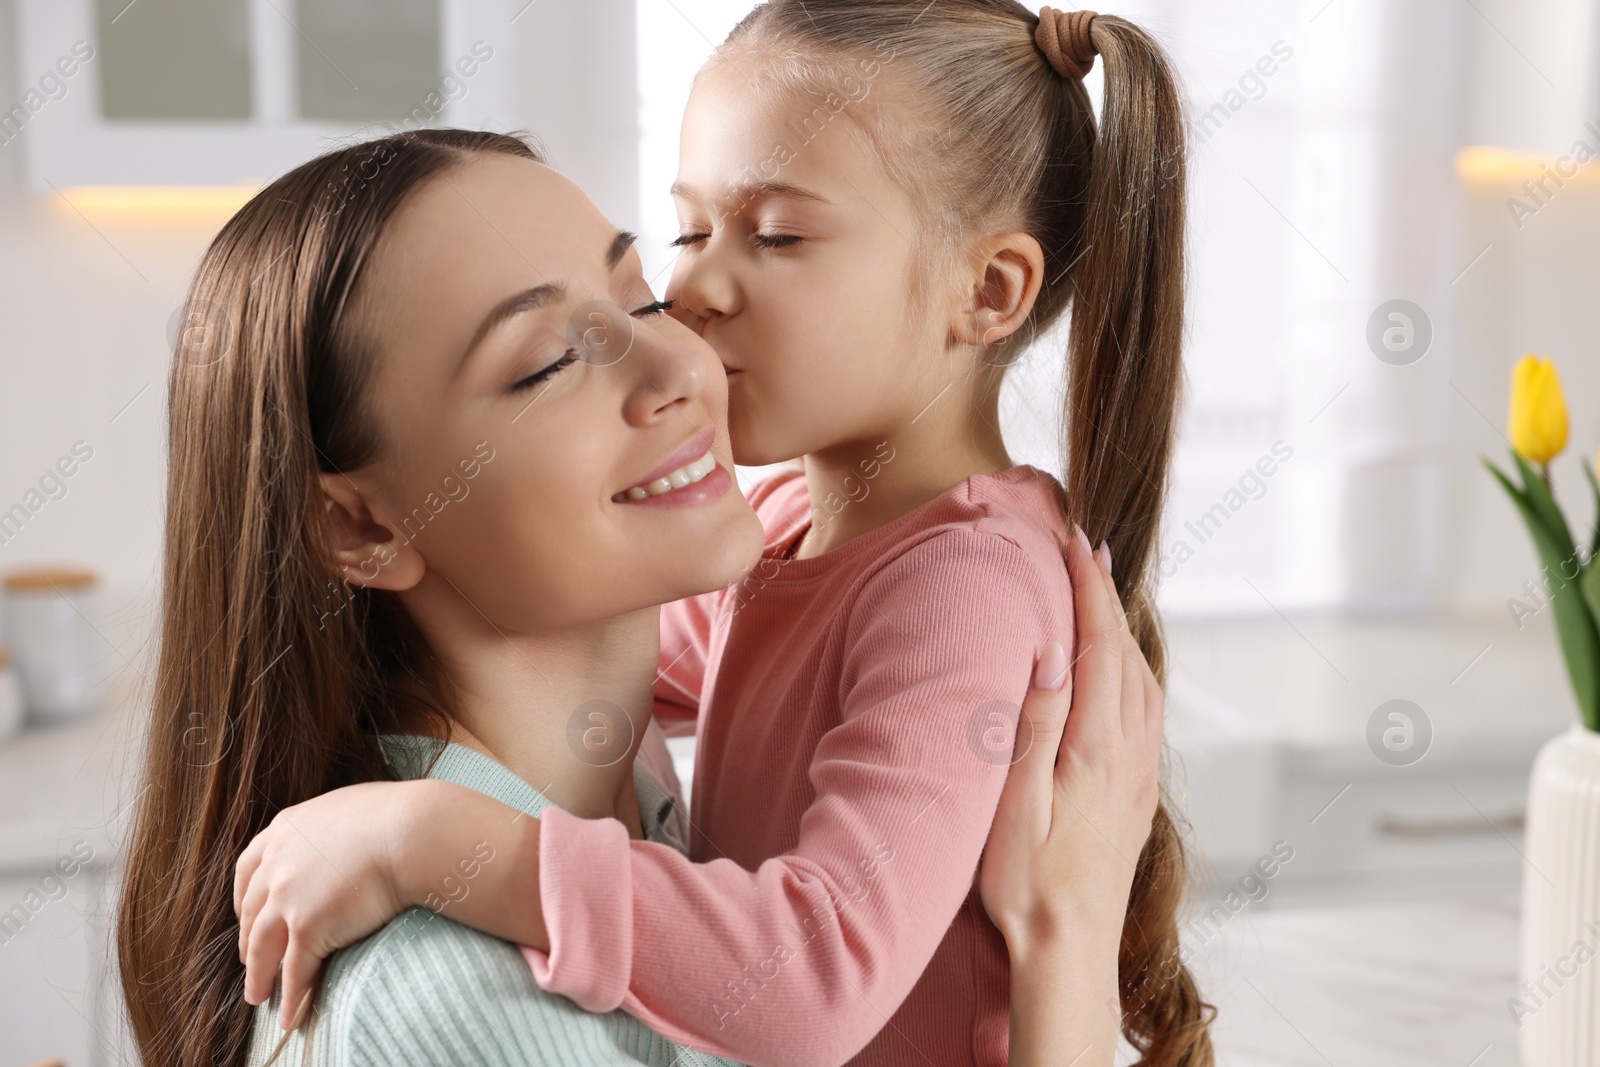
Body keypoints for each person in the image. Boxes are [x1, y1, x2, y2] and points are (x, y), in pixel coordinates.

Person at [236, 4, 1213, 1065]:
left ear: (986, 291)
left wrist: (430, 838)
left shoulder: (960, 585)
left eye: (778, 236)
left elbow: (807, 976)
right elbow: (606, 655)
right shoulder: (796, 527)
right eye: (689, 233)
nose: (691, 292)